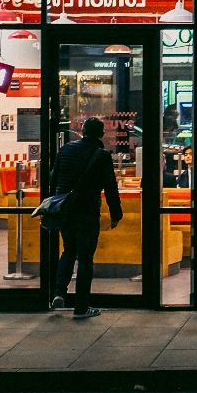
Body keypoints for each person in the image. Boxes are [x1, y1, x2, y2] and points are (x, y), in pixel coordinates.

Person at [49, 117, 123, 320]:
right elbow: (110, 188)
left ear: (82, 131)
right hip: (88, 212)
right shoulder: (101, 156)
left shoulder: (65, 150)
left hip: (65, 211)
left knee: (68, 251)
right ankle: (81, 307)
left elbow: (53, 180)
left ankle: (58, 293)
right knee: (85, 259)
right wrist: (116, 214)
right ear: (101, 134)